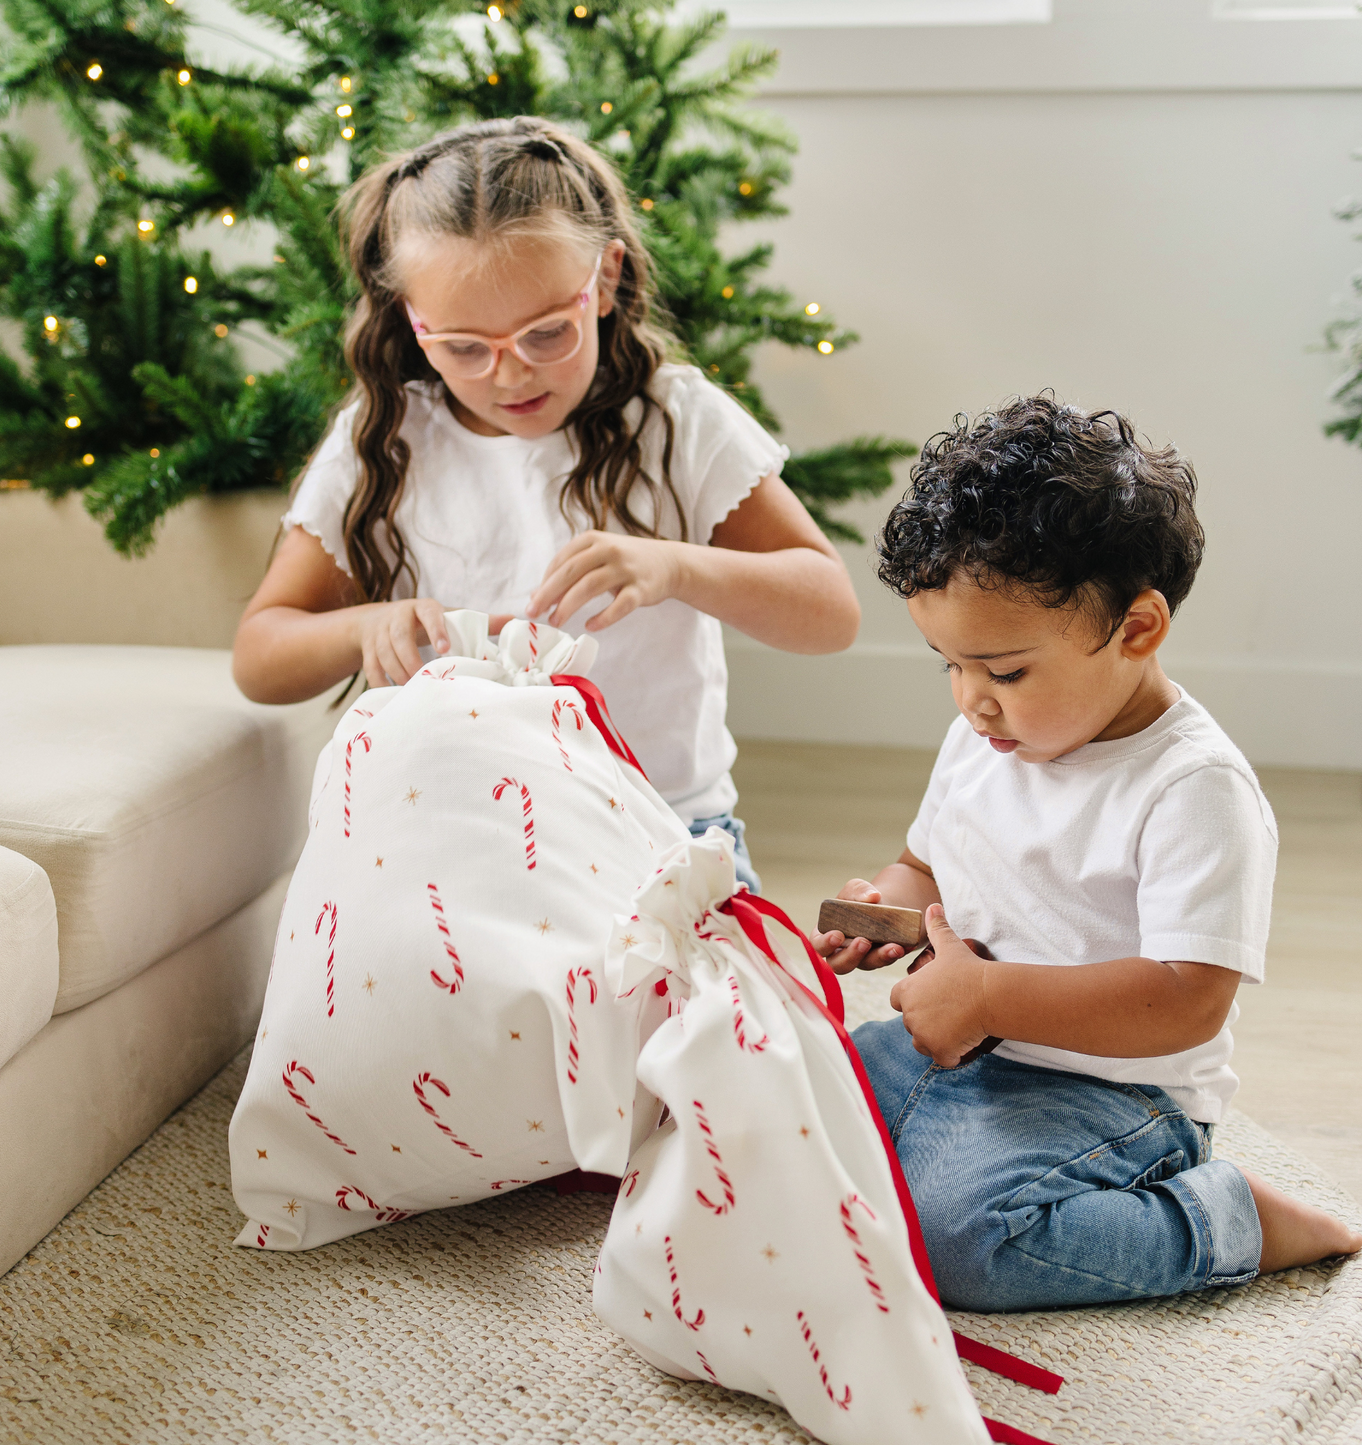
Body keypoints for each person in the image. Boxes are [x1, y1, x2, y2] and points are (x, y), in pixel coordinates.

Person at [812, 395, 1362, 1311]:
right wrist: (886, 903)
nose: (969, 701)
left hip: (1108, 1093)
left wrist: (986, 995)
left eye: (1004, 671)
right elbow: (927, 863)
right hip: (954, 1044)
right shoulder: (986, 738)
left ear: (1136, 629)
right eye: (946, 664)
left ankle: (1229, 1218)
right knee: (771, 1107)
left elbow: (1185, 1000)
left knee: (960, 1243)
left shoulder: (1193, 788)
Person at [231, 117, 860, 889]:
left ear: (604, 279)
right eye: (465, 347)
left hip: (661, 829)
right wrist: (370, 624)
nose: (510, 375)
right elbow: (261, 656)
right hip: (453, 834)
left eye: (546, 333)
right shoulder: (384, 434)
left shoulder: (675, 420)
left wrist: (675, 568)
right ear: (410, 323)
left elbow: (831, 611)